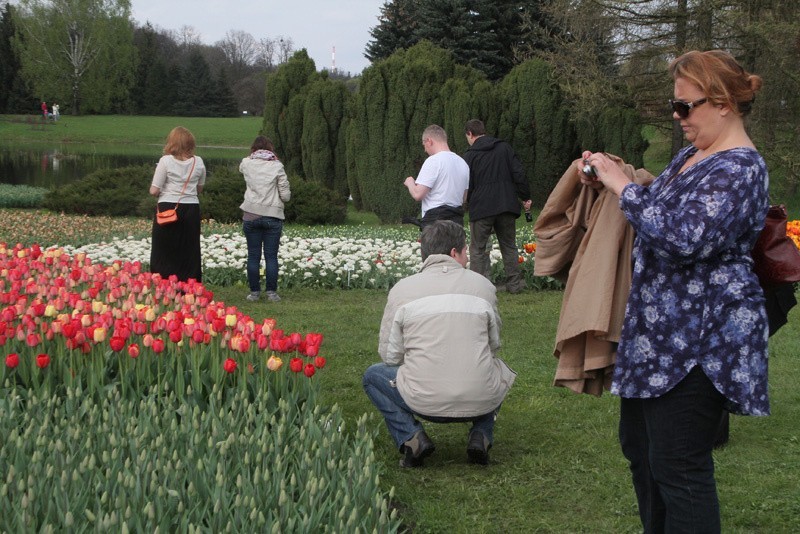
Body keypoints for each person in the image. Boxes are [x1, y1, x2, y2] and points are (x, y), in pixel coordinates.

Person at [580, 50, 769, 532]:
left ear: (723, 102)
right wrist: (608, 175)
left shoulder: (740, 168)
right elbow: (651, 209)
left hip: (700, 342)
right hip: (657, 338)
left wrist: (624, 187)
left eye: (686, 106)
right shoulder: (693, 155)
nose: (676, 116)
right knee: (642, 455)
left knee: (679, 467)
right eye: (674, 104)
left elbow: (684, 237)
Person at [363, 220, 516, 467]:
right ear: (454, 253)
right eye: (466, 251)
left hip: (421, 398)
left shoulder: (402, 290)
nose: (467, 257)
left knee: (372, 376)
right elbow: (493, 343)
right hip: (478, 396)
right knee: (495, 369)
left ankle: (411, 437)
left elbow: (390, 356)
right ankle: (481, 435)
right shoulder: (483, 286)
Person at [463, 119, 533, 293]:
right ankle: (514, 286)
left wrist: (466, 202)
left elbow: (467, 184)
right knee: (509, 246)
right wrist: (525, 196)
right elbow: (519, 173)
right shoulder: (504, 148)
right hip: (506, 203)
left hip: (481, 207)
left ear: (470, 134)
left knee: (478, 248)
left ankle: (479, 288)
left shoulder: (470, 155)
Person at [149, 126, 206, 283]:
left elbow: (154, 190)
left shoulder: (165, 161)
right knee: (189, 247)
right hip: (191, 207)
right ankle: (189, 283)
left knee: (164, 247)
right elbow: (200, 188)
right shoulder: (198, 161)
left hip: (168, 207)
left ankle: (164, 281)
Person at [239, 136, 291, 302]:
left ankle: (254, 293)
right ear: (271, 149)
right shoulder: (277, 166)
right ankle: (271, 293)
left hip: (251, 214)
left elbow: (243, 167)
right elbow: (285, 194)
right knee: (271, 256)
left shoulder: (246, 163)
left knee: (253, 255)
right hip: (272, 215)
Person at [403, 125, 469, 228]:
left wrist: (410, 182)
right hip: (457, 223)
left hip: (436, 223)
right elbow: (464, 197)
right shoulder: (463, 163)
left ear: (429, 141)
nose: (425, 150)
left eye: (424, 144)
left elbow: (418, 194)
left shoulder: (433, 161)